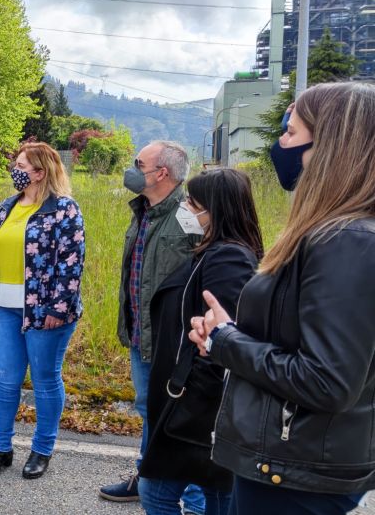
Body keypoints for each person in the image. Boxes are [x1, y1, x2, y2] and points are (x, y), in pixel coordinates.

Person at [190, 82, 375, 513]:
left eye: (290, 132)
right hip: (288, 460)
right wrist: (228, 333)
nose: (279, 144)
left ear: (330, 147)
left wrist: (226, 343)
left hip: (294, 472)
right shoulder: (333, 233)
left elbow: (328, 381)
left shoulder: (346, 241)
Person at [139, 168, 263, 515]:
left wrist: (196, 395)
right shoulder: (217, 250)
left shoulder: (228, 258)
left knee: (159, 492)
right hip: (201, 396)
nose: (186, 209)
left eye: (193, 203)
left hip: (200, 399)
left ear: (216, 209)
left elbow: (224, 334)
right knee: (218, 492)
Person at [99, 140, 204, 513]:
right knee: (150, 410)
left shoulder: (189, 213)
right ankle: (148, 478)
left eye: (138, 163)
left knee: (179, 415)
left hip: (174, 340)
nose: (132, 168)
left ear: (161, 173)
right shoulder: (143, 210)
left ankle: (193, 497)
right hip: (141, 335)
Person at [0, 142, 84, 480]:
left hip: (46, 311)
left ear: (40, 172)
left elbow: (72, 262)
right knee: (6, 380)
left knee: (45, 380)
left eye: (21, 164)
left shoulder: (64, 209)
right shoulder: (7, 205)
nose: (15, 169)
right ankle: (1, 448)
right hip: (6, 308)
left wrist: (58, 306)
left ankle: (42, 449)